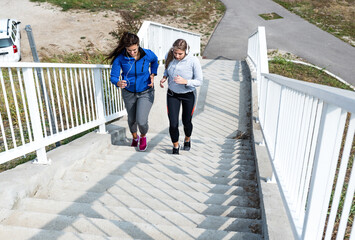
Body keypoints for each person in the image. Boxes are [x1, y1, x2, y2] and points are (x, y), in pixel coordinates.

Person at [107, 32, 158, 151]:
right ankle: (135, 137)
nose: (132, 53)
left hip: (146, 91)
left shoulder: (147, 54)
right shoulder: (120, 58)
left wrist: (153, 74)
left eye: (134, 50)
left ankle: (143, 137)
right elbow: (113, 76)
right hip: (129, 93)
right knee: (131, 119)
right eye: (129, 50)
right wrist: (117, 82)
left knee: (141, 120)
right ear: (125, 48)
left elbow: (155, 61)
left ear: (138, 45)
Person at [160, 39, 203, 154]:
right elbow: (167, 69)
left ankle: (187, 139)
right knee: (173, 123)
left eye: (180, 54)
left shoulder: (193, 61)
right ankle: (175, 146)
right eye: (175, 53)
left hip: (188, 95)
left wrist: (186, 81)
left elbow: (199, 81)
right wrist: (164, 77)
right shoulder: (169, 56)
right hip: (172, 94)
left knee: (186, 121)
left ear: (186, 51)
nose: (177, 56)